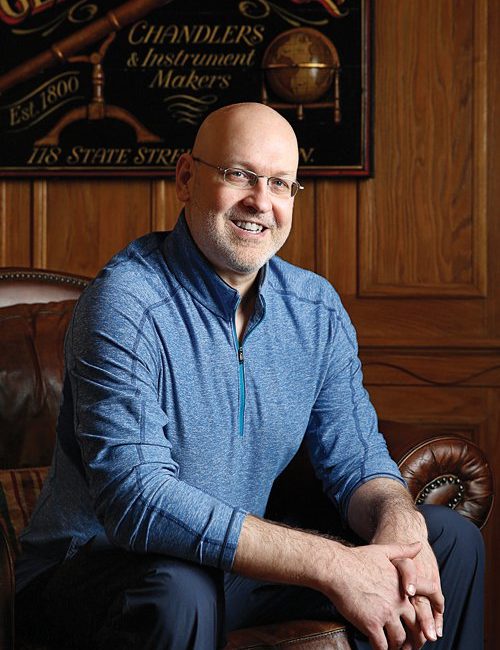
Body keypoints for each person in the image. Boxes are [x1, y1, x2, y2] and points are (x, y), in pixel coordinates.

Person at [15, 102, 483, 650]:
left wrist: (400, 529)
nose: (261, 202)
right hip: (95, 573)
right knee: (178, 587)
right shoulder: (125, 302)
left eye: (281, 183)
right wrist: (333, 565)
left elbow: (356, 459)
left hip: (226, 569)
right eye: (239, 174)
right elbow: (137, 499)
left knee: (449, 540)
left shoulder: (315, 309)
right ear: (186, 178)